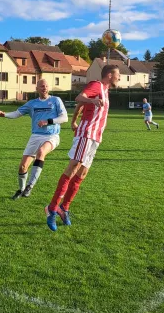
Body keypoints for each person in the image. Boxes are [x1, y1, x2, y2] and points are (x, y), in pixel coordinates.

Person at [45, 64, 121, 231]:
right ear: (109, 75)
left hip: (95, 138)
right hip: (86, 134)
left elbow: (81, 106)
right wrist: (91, 100)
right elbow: (80, 98)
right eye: (118, 74)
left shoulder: (105, 91)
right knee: (73, 167)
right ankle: (52, 208)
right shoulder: (96, 85)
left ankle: (64, 208)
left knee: (82, 173)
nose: (119, 77)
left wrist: (73, 120)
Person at [0, 79, 68, 199]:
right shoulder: (32, 103)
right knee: (23, 166)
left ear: (48, 88)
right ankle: (21, 189)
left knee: (41, 153)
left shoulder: (55, 100)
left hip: (52, 136)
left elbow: (64, 117)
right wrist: (5, 115)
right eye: (41, 86)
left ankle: (30, 186)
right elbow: (17, 113)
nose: (44, 88)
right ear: (37, 89)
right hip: (35, 136)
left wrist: (48, 122)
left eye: (46, 86)